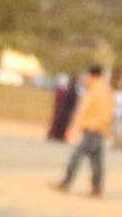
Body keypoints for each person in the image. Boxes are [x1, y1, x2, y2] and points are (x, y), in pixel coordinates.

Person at [48, 63, 112, 196]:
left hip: (93, 129)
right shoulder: (96, 89)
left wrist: (93, 125)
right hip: (93, 128)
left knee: (76, 156)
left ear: (91, 75)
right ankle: (96, 188)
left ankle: (66, 183)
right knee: (96, 161)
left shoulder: (100, 90)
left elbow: (105, 112)